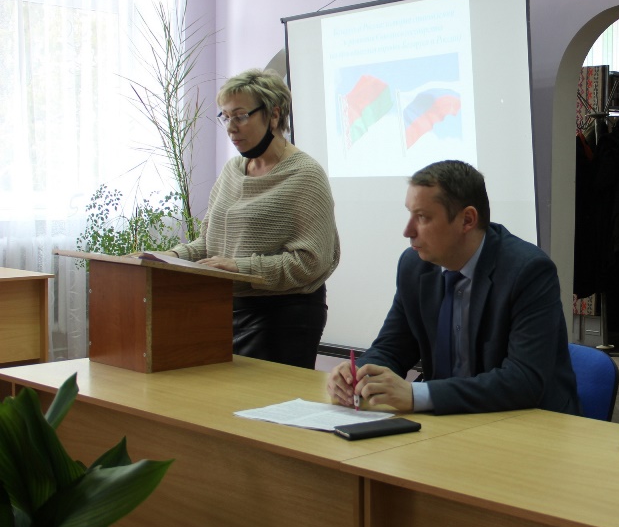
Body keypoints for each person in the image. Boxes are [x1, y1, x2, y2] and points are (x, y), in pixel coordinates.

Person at [326, 160, 579, 415]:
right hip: (449, 420)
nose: (408, 231)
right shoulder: (414, 266)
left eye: (422, 217)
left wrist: (416, 395)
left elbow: (524, 381)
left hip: (526, 423)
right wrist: (358, 375)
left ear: (467, 220)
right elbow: (392, 348)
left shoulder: (528, 271)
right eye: (410, 214)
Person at [165, 68, 340, 369]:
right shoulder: (232, 170)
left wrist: (240, 267)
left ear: (273, 115)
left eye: (241, 116)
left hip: (282, 317)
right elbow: (210, 244)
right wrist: (169, 256)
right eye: (225, 117)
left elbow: (313, 262)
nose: (231, 128)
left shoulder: (305, 175)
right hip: (224, 308)